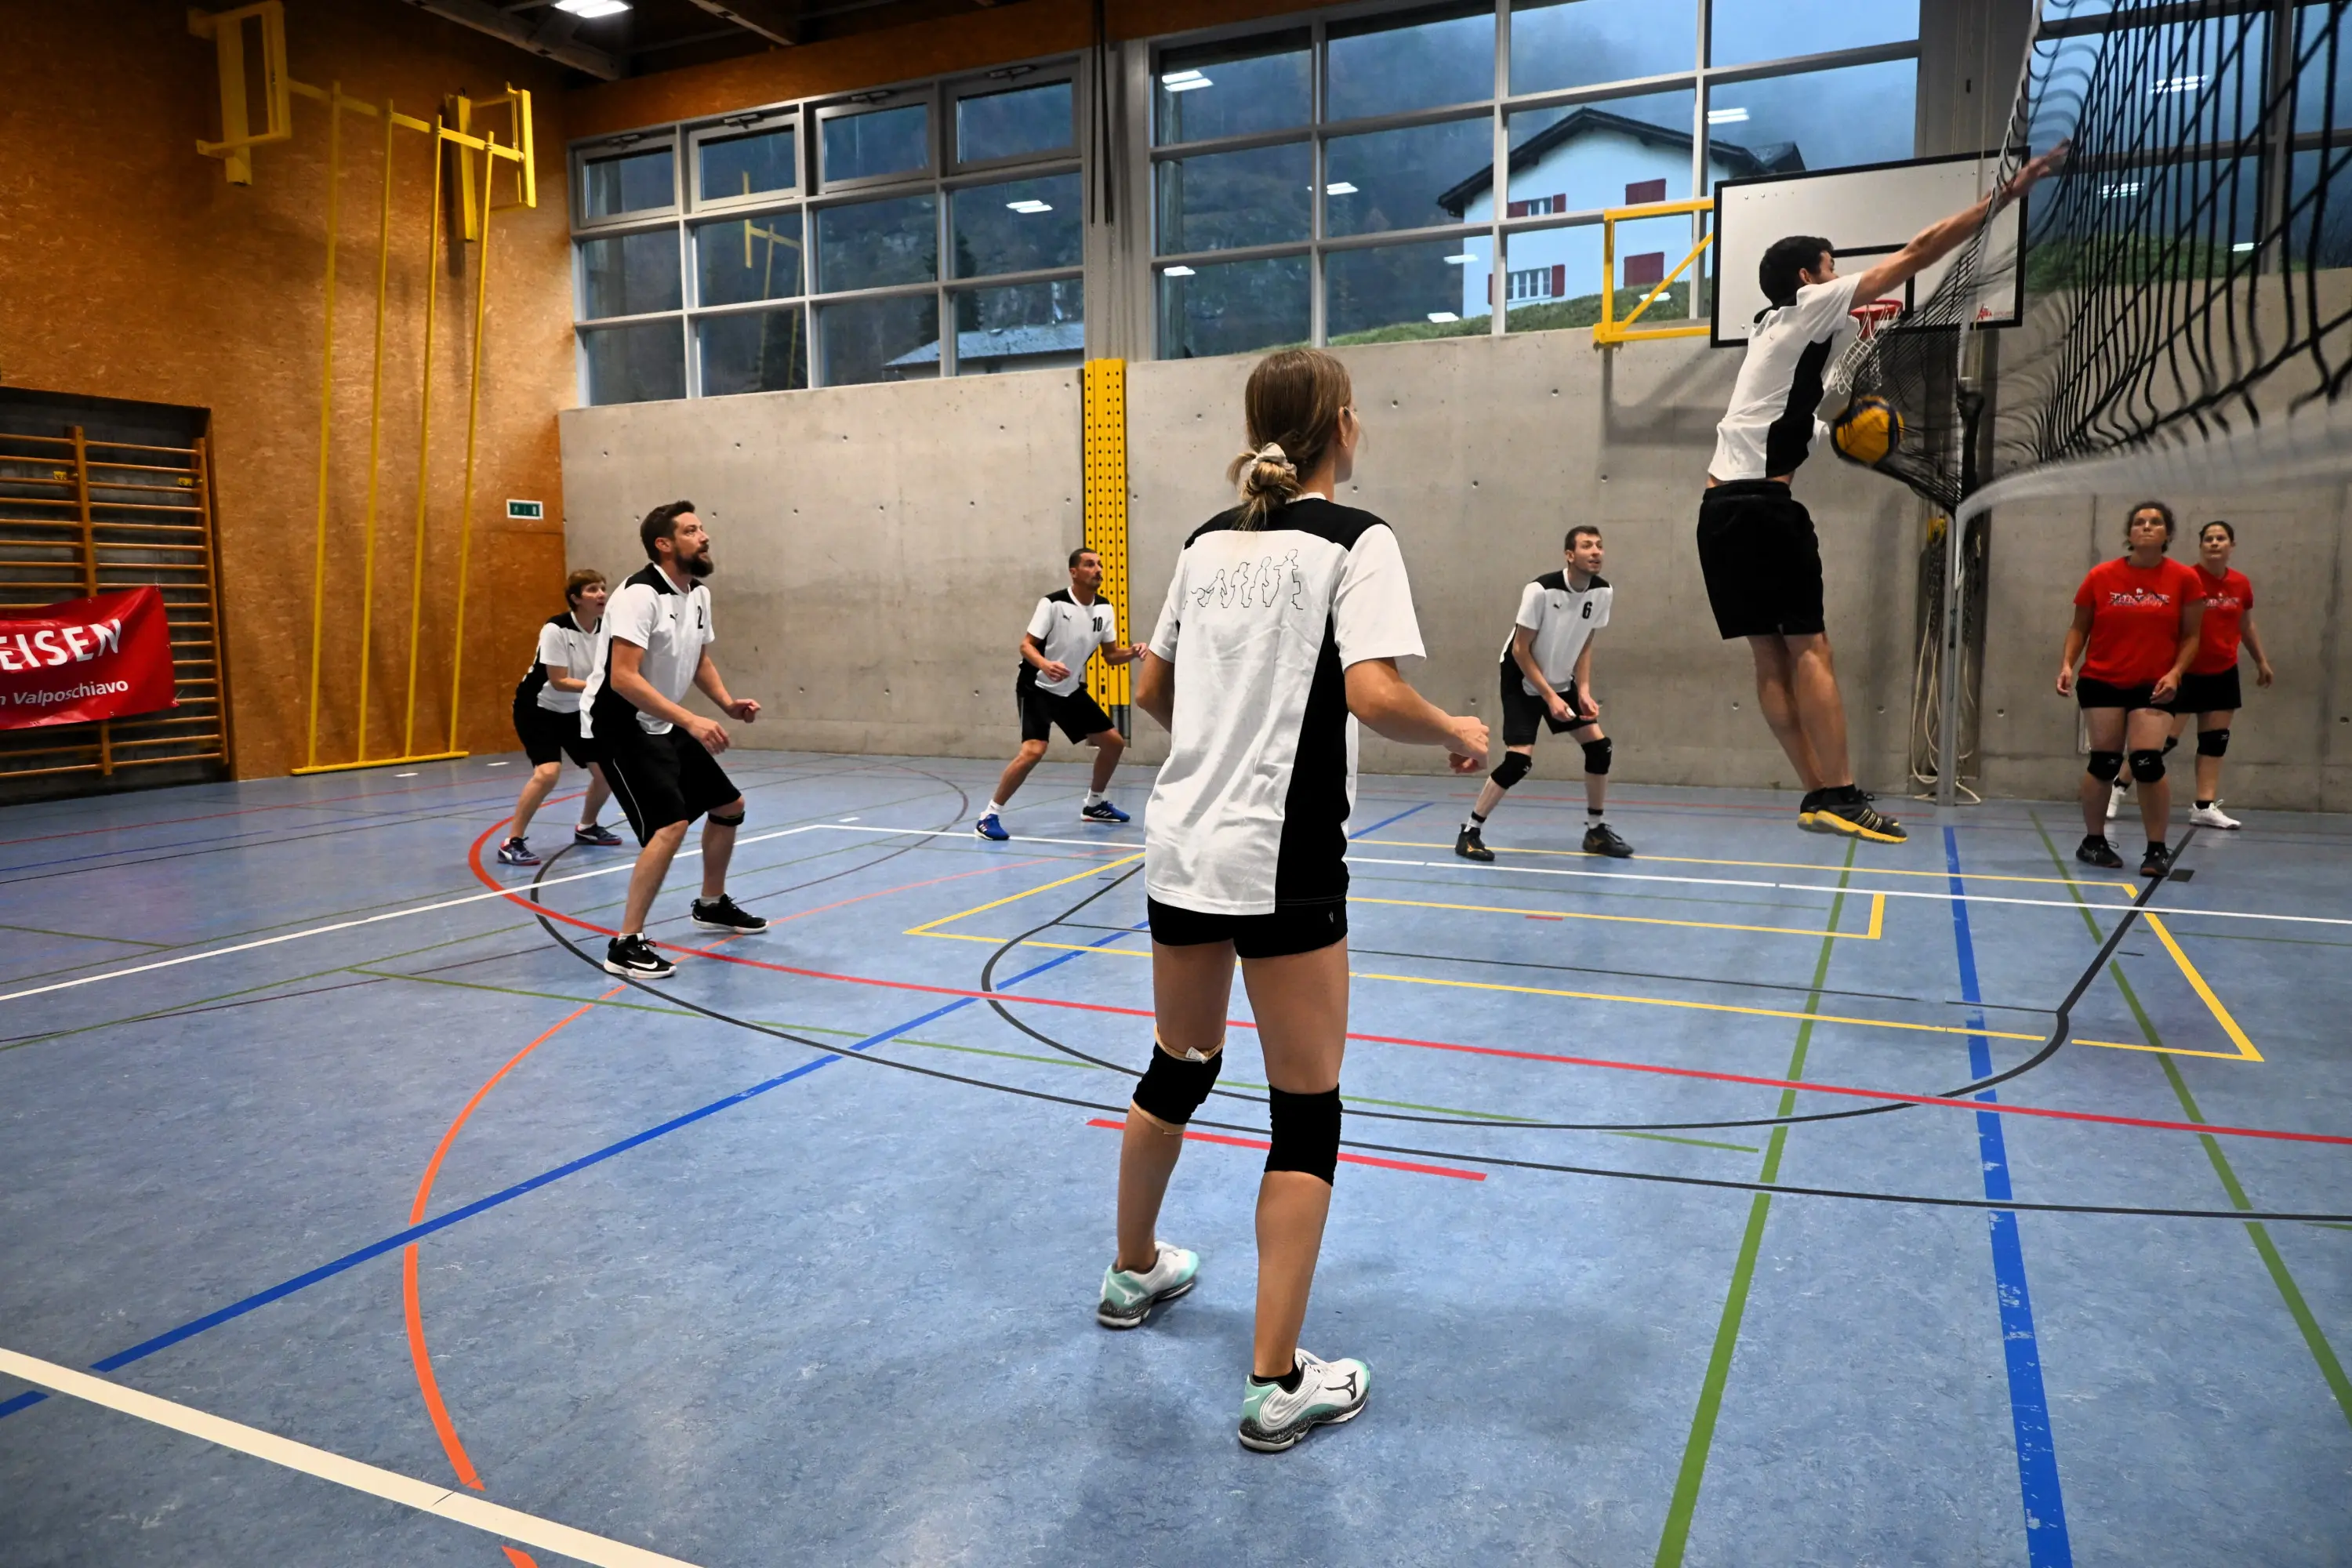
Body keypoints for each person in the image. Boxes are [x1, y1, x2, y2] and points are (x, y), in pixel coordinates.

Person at [1095, 348, 1489, 1455]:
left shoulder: (1205, 541)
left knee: (1180, 1063)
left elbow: (1155, 688)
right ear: (1344, 430)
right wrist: (1456, 728)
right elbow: (1372, 691)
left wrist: (1221, 750)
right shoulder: (1358, 539)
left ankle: (1133, 1274)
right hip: (1283, 856)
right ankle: (1275, 1383)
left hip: (1183, 844)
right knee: (1305, 1109)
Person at [1698, 144, 2067, 842]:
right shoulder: (1810, 304)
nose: (1845, 276)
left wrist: (1852, 423)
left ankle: (1816, 796)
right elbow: (1922, 249)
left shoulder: (1770, 340)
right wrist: (2006, 196)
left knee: (1769, 655)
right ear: (1809, 277)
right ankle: (1841, 793)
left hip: (1716, 512)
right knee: (1811, 649)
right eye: (1835, 265)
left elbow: (1818, 417)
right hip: (1762, 509)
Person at [579, 501, 768, 979]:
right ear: (664, 544)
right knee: (670, 824)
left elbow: (697, 657)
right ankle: (625, 943)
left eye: (703, 528)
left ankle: (711, 903)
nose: (704, 536)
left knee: (729, 806)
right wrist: (690, 720)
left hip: (661, 719)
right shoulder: (638, 595)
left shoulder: (697, 594)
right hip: (617, 722)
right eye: (691, 531)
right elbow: (623, 678)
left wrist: (725, 704)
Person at [1456, 524, 1633, 862]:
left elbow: (1585, 643)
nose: (1596, 552)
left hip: (1561, 679)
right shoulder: (1540, 590)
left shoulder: (1603, 592)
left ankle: (1595, 832)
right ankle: (1469, 832)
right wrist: (1550, 698)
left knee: (1599, 748)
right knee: (1518, 761)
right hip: (1521, 677)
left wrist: (1582, 690)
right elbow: (1521, 650)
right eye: (1586, 546)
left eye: (1599, 546)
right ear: (1570, 555)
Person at [2056, 501, 2206, 878]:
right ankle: (2093, 841)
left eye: (2155, 522)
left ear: (2168, 534)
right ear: (2129, 534)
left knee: (2146, 761)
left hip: (2154, 682)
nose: (2146, 527)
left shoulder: (2185, 579)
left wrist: (2175, 673)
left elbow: (2192, 636)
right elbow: (2080, 627)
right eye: (2139, 522)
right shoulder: (2101, 576)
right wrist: (2066, 665)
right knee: (2104, 761)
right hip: (2103, 678)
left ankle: (2156, 849)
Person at [2107, 519, 2272, 829]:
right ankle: (2118, 787)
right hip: (2184, 672)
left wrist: (2261, 661)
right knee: (2161, 742)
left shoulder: (2240, 584)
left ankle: (2204, 806)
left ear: (2231, 546)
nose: (2214, 543)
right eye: (2208, 538)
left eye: (2221, 538)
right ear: (2200, 545)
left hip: (2222, 671)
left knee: (2214, 741)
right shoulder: (2186, 578)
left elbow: (2246, 625)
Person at [974, 548, 1144, 842]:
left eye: (1100, 565)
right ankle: (988, 815)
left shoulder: (1105, 609)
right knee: (1034, 751)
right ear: (1074, 572)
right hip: (1037, 686)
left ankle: (1095, 804)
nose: (1098, 569)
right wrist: (1045, 664)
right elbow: (1026, 646)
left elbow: (1111, 656)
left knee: (1114, 743)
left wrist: (1133, 651)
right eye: (1090, 564)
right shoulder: (1052, 604)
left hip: (1069, 689)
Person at [496, 568, 624, 866]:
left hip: (575, 708)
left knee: (606, 773)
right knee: (548, 773)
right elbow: (558, 681)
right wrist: (602, 688)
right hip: (538, 708)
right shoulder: (556, 628)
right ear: (575, 598)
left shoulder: (607, 629)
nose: (601, 594)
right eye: (592, 589)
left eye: (603, 588)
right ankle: (511, 841)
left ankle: (588, 828)